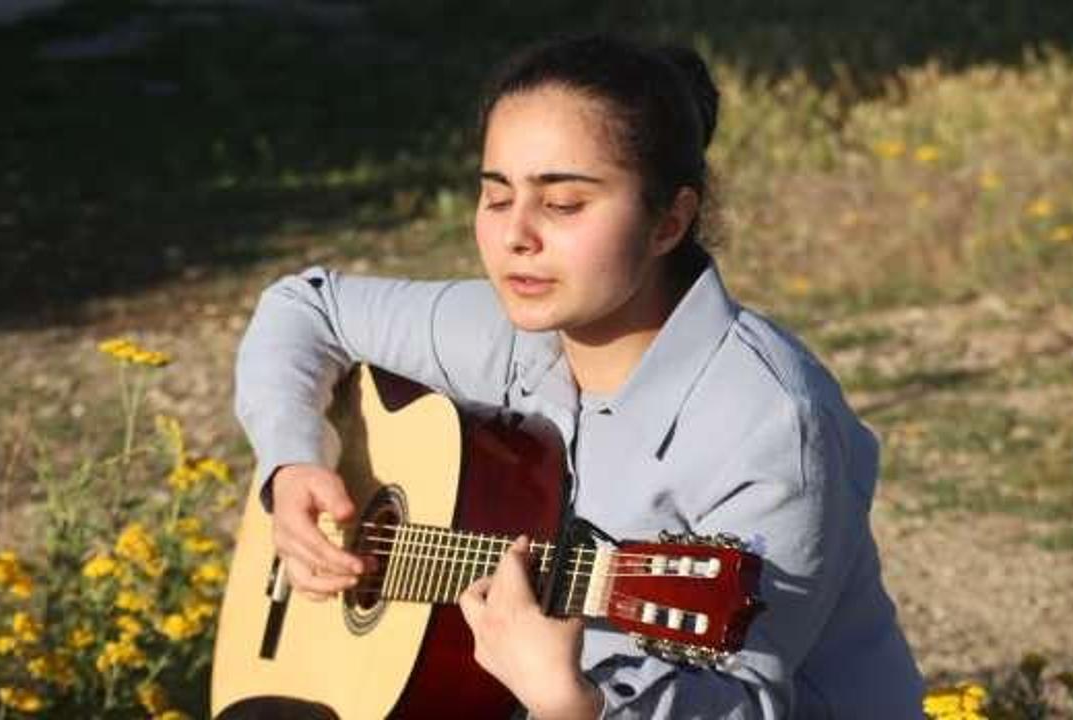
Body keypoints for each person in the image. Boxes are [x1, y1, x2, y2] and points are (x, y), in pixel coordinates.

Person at [234, 34, 924, 719]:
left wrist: (575, 705)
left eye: (563, 205)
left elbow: (743, 703)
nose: (515, 237)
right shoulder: (505, 326)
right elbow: (304, 308)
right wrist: (292, 461)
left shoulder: (771, 426)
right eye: (496, 197)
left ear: (669, 221)